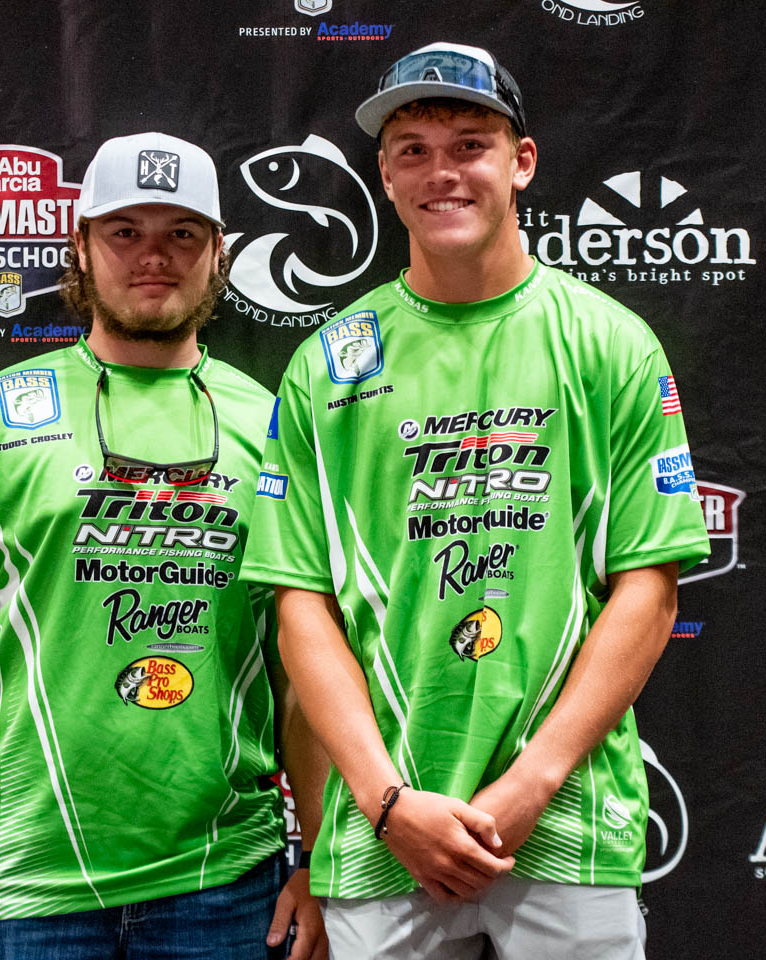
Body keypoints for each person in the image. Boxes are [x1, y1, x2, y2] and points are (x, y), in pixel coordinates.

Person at [240, 43, 711, 960]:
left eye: (469, 144)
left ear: (521, 161)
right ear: (384, 176)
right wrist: (386, 803)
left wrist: (530, 786)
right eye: (412, 150)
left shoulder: (611, 344)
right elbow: (300, 607)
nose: (440, 172)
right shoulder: (328, 366)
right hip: (386, 836)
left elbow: (650, 590)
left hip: (567, 819)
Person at [0, 132, 327, 960]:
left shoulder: (272, 426)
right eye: (125, 232)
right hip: (26, 885)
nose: (153, 256)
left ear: (219, 253)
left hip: (226, 880)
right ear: (80, 246)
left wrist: (318, 856)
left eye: (181, 233)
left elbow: (302, 663)